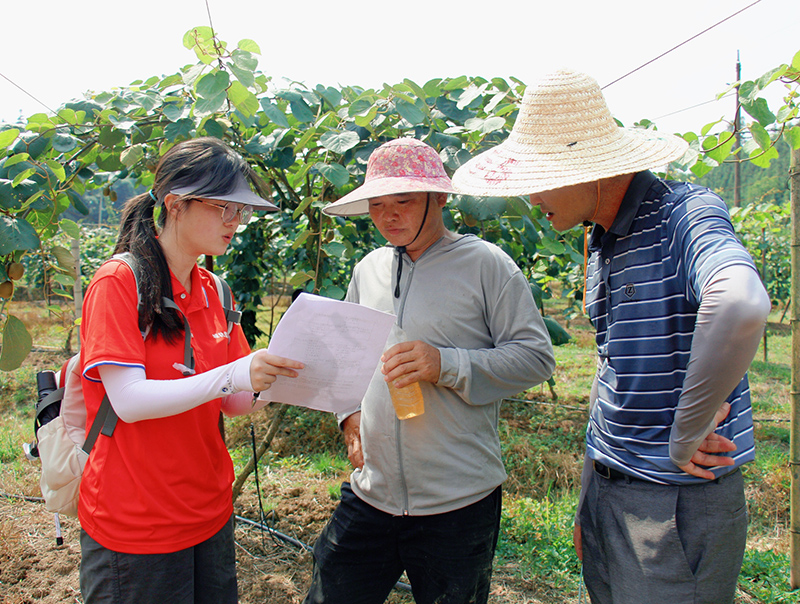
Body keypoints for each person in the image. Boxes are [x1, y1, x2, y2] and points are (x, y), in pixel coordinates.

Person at [453, 69, 772, 604]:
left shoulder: (681, 214)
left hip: (672, 505)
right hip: (611, 486)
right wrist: (589, 499)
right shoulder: (602, 240)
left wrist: (687, 430)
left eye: (539, 177)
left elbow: (740, 302)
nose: (532, 197)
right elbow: (611, 369)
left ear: (584, 169)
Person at [303, 138, 555, 604]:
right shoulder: (370, 268)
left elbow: (536, 357)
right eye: (377, 204)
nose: (388, 215)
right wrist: (348, 416)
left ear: (439, 199)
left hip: (457, 503)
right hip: (372, 492)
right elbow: (350, 357)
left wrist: (447, 363)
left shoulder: (486, 266)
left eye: (404, 200)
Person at [78, 137, 304, 604]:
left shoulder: (215, 291)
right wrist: (236, 375)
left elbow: (236, 404)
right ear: (176, 204)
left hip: (210, 512)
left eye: (242, 212)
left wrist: (281, 374)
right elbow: (130, 401)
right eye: (226, 209)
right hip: (137, 521)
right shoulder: (119, 283)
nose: (236, 224)